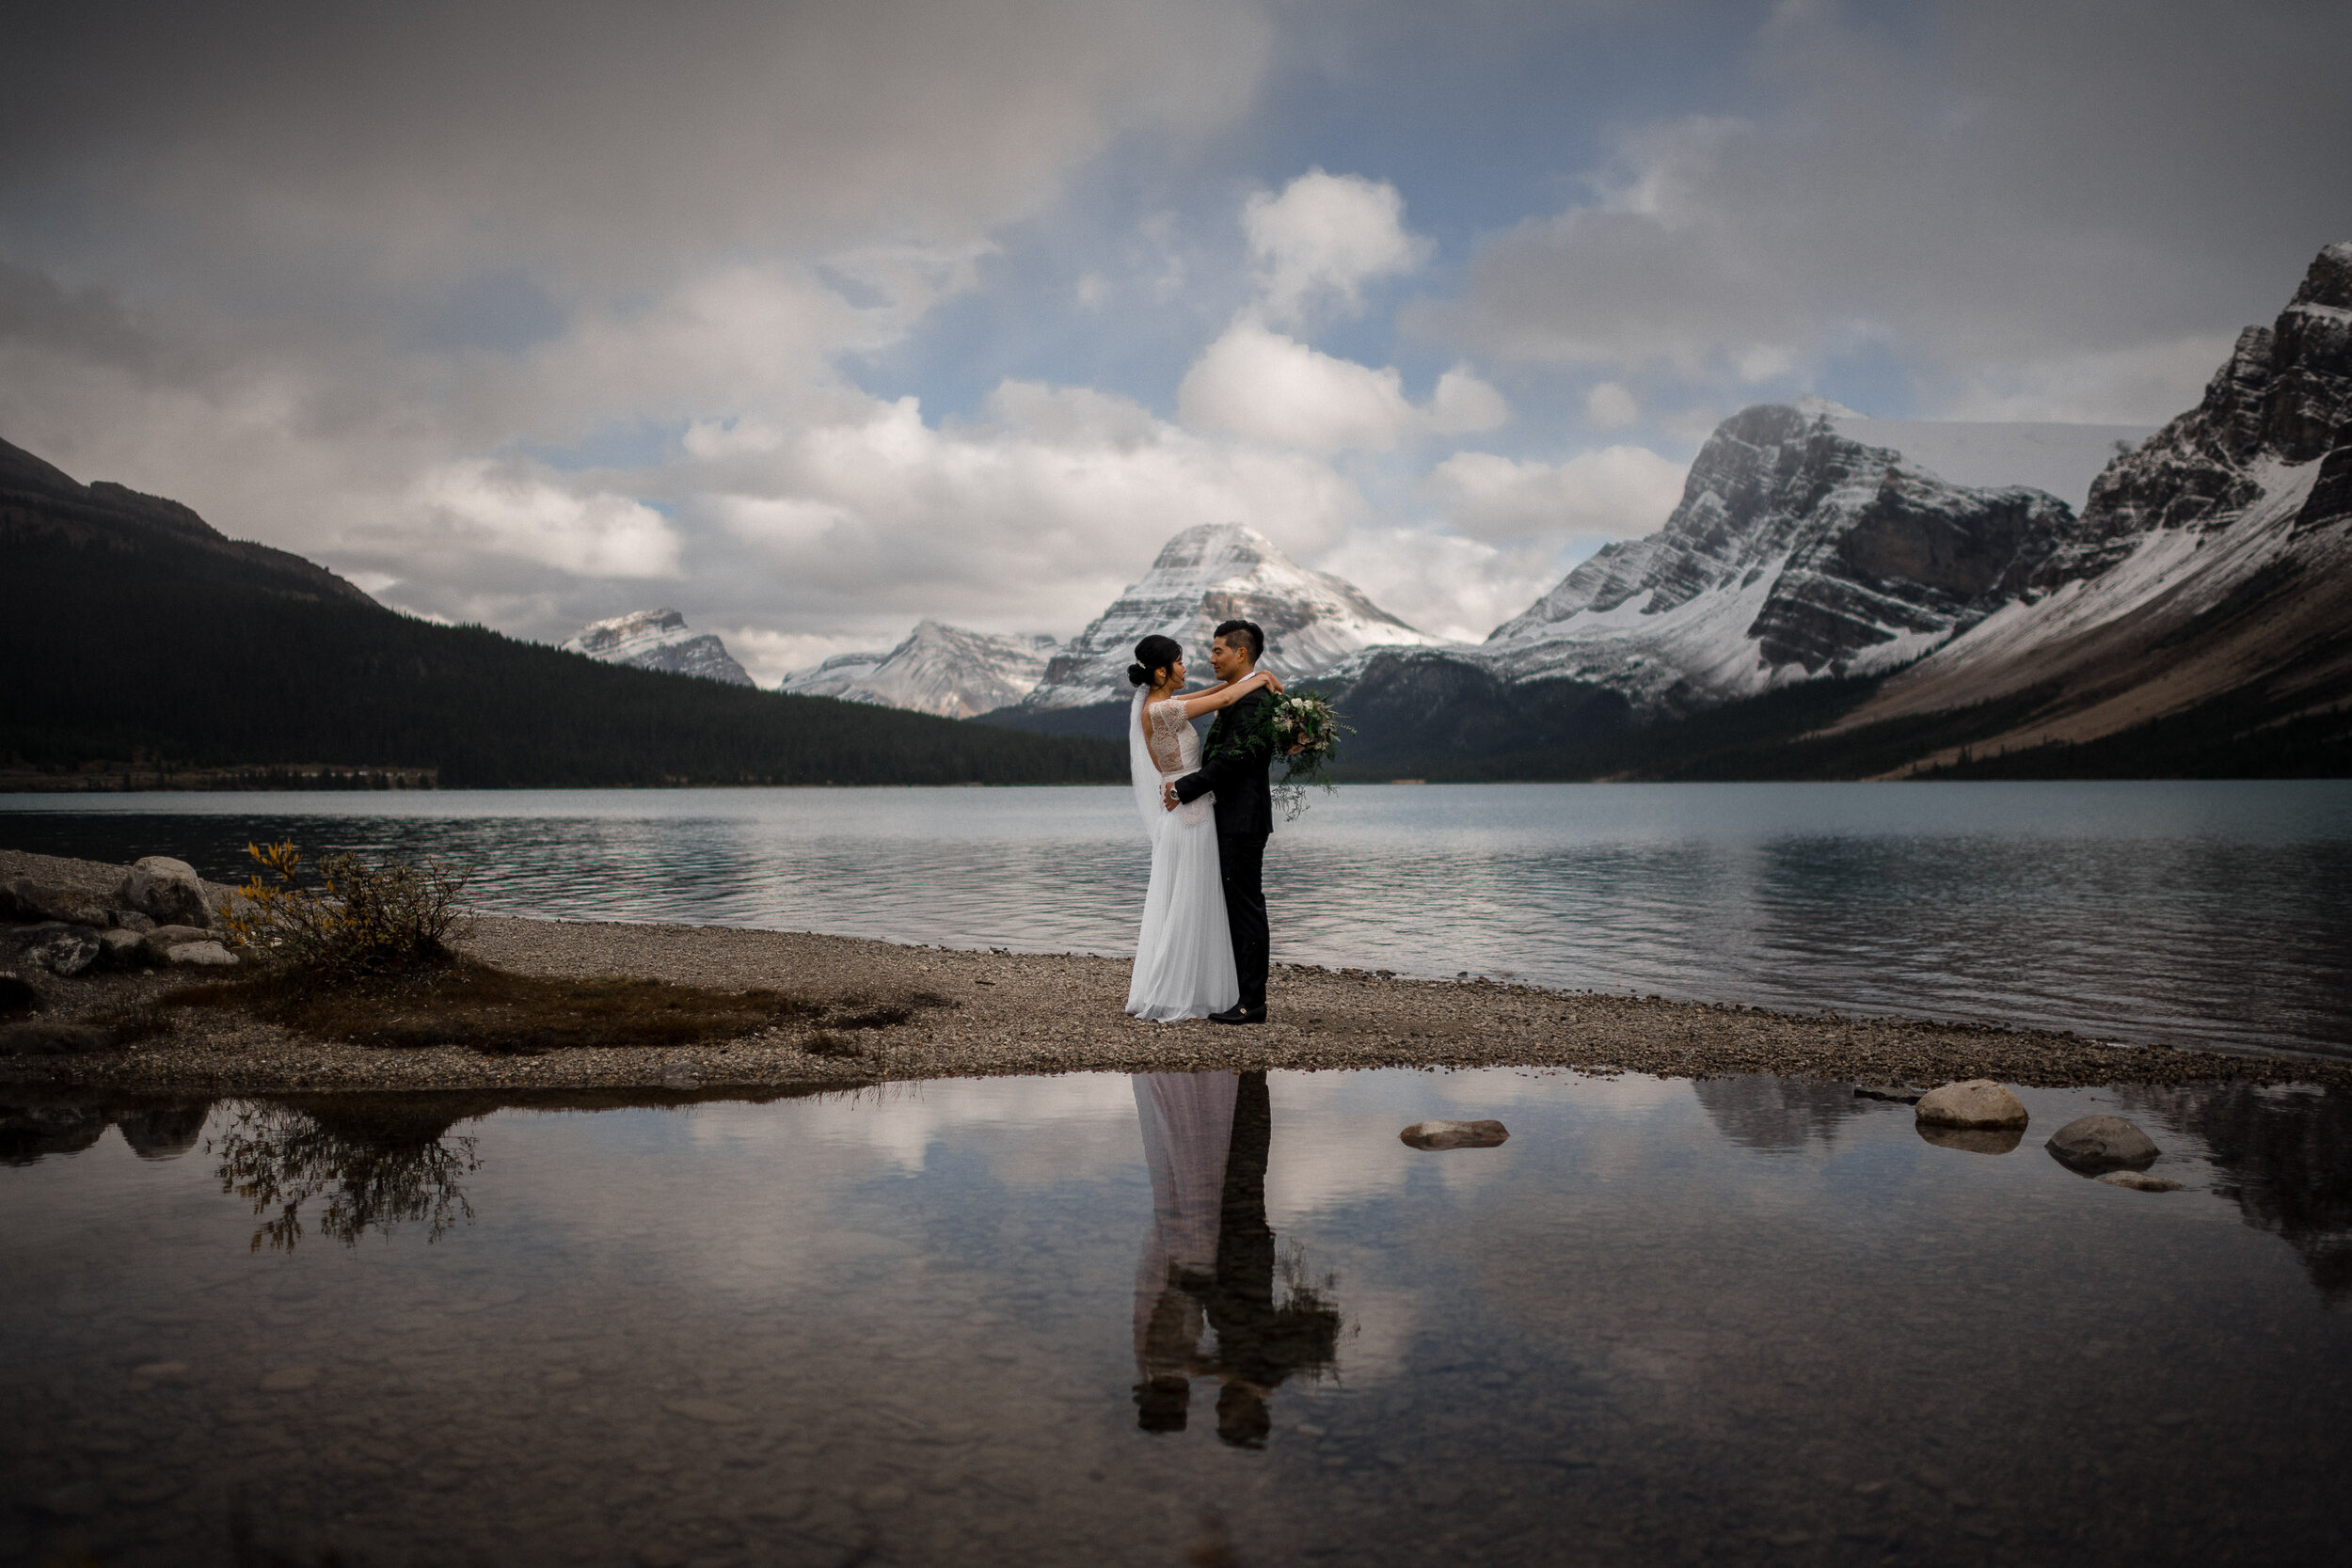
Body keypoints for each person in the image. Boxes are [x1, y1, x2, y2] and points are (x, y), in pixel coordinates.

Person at [1123, 633, 1281, 1022]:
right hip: (1189, 811)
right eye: (1179, 662)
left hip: (1188, 809)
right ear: (1162, 671)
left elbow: (1217, 692)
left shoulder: (1164, 704)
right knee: (1189, 904)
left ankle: (1200, 988)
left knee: (1191, 901)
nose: (1188, 666)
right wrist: (1258, 679)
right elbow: (1225, 699)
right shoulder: (1161, 712)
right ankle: (1186, 991)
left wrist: (1246, 681)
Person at [1167, 619, 1277, 1025]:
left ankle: (1252, 1003)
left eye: (1218, 651)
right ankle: (1242, 994)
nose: (1210, 658)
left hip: (1242, 820)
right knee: (1239, 905)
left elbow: (1236, 759)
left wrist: (1183, 789)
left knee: (1246, 908)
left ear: (1240, 653)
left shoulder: (1250, 701)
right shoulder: (1245, 694)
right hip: (1235, 817)